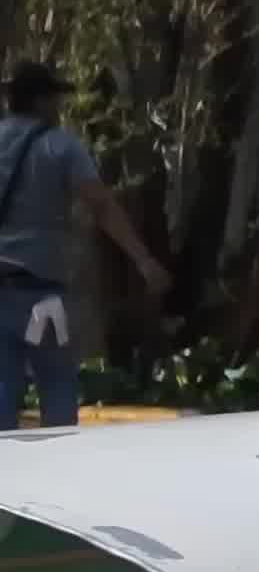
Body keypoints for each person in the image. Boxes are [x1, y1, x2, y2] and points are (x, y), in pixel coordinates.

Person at [0, 63, 162, 429]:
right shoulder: (60, 147)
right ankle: (62, 473)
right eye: (56, 98)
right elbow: (101, 206)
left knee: (2, 391)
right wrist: (143, 260)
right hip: (40, 294)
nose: (59, 107)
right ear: (42, 101)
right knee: (56, 385)